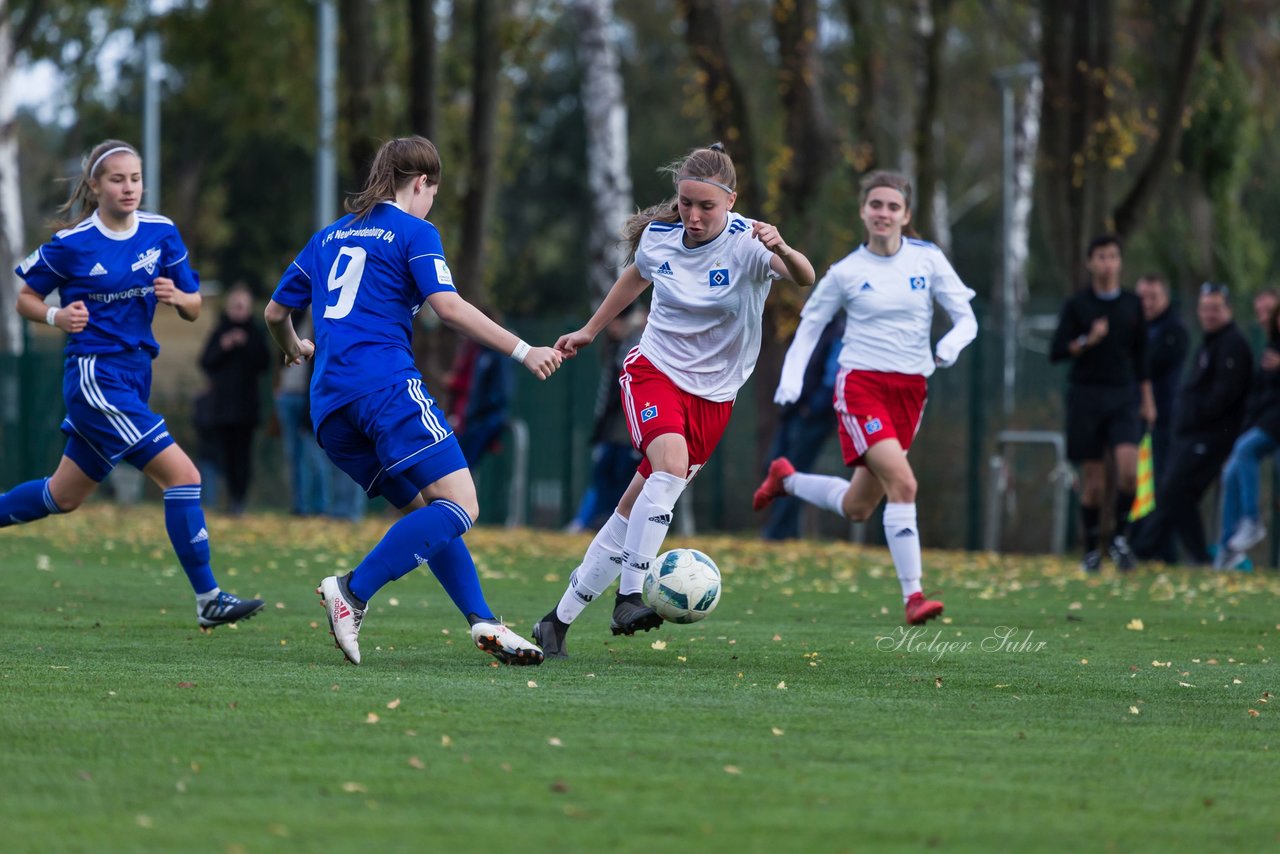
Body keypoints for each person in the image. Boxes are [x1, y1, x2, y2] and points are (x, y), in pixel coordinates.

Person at [264, 135, 561, 666]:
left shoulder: (328, 236)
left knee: (429, 512)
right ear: (421, 184)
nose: (431, 206)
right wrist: (523, 349)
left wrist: (295, 349)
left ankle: (483, 620)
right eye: (432, 195)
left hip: (330, 408)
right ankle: (352, 591)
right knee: (461, 505)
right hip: (384, 388)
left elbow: (273, 314)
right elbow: (447, 306)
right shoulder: (415, 230)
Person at [531, 143, 816, 658]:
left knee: (630, 511)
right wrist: (591, 331)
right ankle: (630, 595)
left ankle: (556, 621)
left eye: (707, 205)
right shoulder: (661, 238)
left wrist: (786, 247)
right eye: (686, 202)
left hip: (715, 396)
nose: (694, 214)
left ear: (731, 200)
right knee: (668, 468)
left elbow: (805, 276)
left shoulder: (749, 244)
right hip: (655, 371)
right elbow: (637, 274)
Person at [0, 139, 264, 629]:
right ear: (96, 186)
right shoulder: (73, 243)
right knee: (183, 476)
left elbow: (193, 306)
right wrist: (57, 315)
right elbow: (25, 299)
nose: (129, 188)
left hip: (133, 378)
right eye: (117, 179)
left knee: (63, 496)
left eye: (136, 178)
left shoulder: (162, 232)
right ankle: (209, 598)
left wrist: (177, 295)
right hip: (96, 379)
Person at [753, 170, 976, 624]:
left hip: (911, 391)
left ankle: (786, 480)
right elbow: (811, 325)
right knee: (905, 484)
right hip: (861, 387)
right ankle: (914, 596)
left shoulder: (928, 260)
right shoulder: (847, 272)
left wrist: (950, 345)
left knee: (858, 507)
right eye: (876, 204)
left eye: (893, 206)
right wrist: (791, 379)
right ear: (863, 211)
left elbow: (966, 318)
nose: (884, 213)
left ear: (906, 214)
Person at [1049, 235, 1154, 573]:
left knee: (1128, 471)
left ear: (1120, 262)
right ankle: (1091, 549)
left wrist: (1147, 399)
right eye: (1101, 257)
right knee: (1093, 484)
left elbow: (1142, 356)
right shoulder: (1077, 305)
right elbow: (1057, 351)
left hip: (1123, 396)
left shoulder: (1132, 304)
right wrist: (1086, 340)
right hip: (1087, 396)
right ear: (1090, 263)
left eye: (1113, 256)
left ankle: (1120, 539)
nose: (1107, 263)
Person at [1131, 283, 1253, 565]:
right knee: (1177, 494)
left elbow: (1224, 394)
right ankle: (1189, 555)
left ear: (1228, 309)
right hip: (1191, 434)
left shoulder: (1232, 343)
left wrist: (1194, 414)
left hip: (1210, 436)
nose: (1209, 314)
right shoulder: (1211, 342)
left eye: (1216, 308)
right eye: (1205, 308)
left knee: (1175, 490)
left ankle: (1146, 550)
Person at [759, 313, 844, 541]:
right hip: (793, 412)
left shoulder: (836, 332)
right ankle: (782, 531)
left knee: (793, 474)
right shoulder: (810, 330)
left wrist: (811, 408)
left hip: (811, 416)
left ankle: (779, 534)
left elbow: (832, 378)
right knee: (774, 466)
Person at [567, 306, 645, 532]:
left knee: (623, 483)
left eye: (616, 321)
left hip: (630, 434)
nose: (611, 327)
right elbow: (607, 394)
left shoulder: (639, 342)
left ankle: (612, 527)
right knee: (602, 480)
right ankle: (589, 522)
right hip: (611, 432)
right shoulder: (615, 347)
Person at [199, 283, 271, 514]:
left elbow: (264, 363)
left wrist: (246, 344)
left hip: (246, 407)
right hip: (221, 407)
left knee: (243, 456)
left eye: (242, 305)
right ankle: (229, 497)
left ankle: (239, 499)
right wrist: (224, 346)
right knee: (224, 456)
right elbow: (205, 361)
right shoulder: (220, 331)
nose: (238, 310)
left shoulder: (257, 332)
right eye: (235, 305)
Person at [1134, 274, 1188, 485]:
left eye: (1153, 297)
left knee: (1155, 479)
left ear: (1165, 297)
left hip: (1162, 418)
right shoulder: (1137, 327)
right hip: (1133, 415)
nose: (1147, 304)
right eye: (1142, 297)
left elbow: (1149, 365)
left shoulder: (1174, 330)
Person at [445, 308, 513, 468]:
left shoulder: (498, 352)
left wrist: (483, 412)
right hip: (471, 419)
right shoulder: (477, 351)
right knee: (456, 464)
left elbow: (502, 389)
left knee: (459, 467)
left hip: (486, 419)